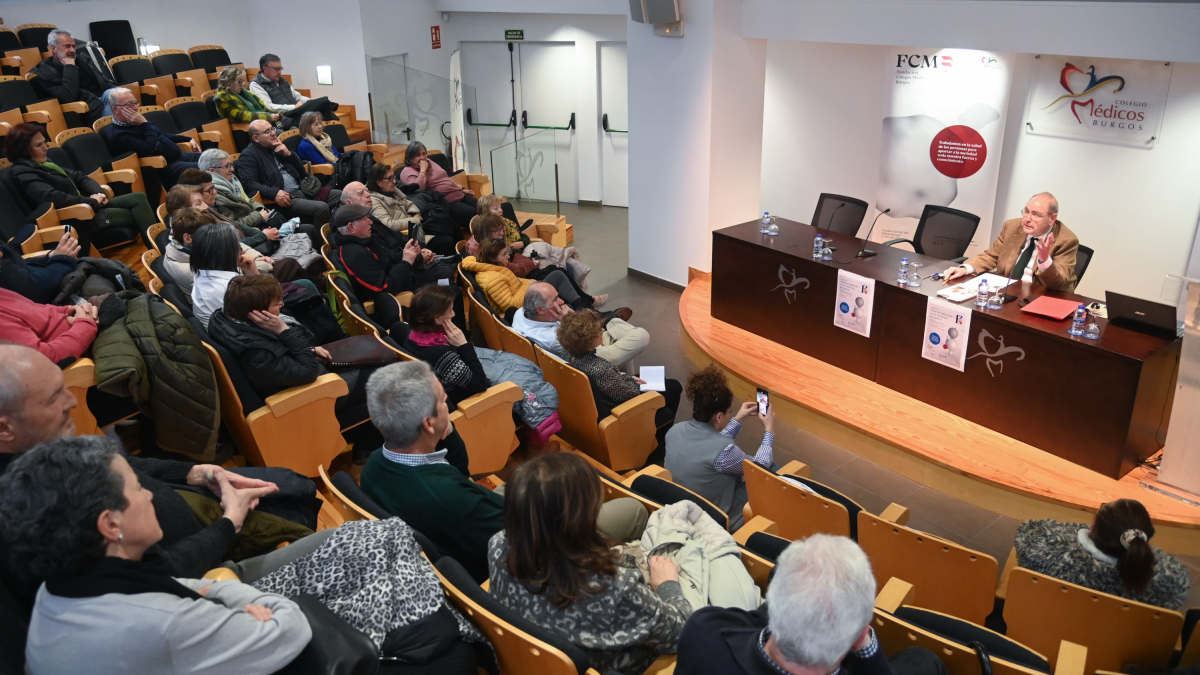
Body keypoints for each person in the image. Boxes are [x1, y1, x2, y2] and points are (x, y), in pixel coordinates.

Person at [0, 437, 312, 675]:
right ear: (110, 525)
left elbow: (180, 585)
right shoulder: (161, 623)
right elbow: (290, 629)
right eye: (137, 488)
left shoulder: (55, 591)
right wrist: (226, 589)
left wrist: (210, 589)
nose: (149, 494)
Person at [360, 360, 646, 582]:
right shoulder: (452, 500)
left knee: (532, 481)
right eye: (444, 402)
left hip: (468, 528)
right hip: (523, 553)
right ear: (428, 424)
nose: (449, 406)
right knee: (633, 510)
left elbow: (458, 474)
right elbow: (527, 541)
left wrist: (445, 430)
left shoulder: (375, 464)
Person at [488, 452, 691, 675]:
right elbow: (681, 633)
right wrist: (667, 583)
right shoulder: (613, 587)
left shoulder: (498, 545)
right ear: (584, 516)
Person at [676, 535, 946, 675]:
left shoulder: (704, 631)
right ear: (857, 637)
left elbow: (755, 619)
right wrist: (862, 641)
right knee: (924, 659)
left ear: (774, 601)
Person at [207, 275, 372, 417]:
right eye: (276, 302)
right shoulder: (256, 351)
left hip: (301, 379)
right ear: (258, 313)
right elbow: (309, 372)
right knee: (380, 372)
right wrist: (284, 331)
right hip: (308, 397)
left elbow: (280, 356)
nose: (282, 304)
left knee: (370, 354)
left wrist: (309, 350)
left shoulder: (230, 322)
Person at [7, 123, 156, 256]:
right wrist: (91, 201)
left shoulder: (44, 162)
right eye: (39, 145)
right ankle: (157, 248)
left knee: (138, 197)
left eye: (44, 142)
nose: (46, 148)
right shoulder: (23, 172)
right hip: (78, 215)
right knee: (138, 215)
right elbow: (53, 197)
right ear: (24, 150)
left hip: (89, 204)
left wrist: (97, 193)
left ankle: (157, 245)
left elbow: (79, 176)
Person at [1014, 499, 1190, 609]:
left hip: (1042, 637)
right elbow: (1175, 580)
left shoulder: (1043, 548)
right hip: (1113, 653)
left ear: (1093, 527)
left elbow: (1030, 531)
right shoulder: (1168, 580)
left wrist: (1080, 533)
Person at [664, 365, 775, 531]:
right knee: (773, 470)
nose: (730, 415)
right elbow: (759, 467)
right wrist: (769, 429)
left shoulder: (674, 431)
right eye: (729, 412)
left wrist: (738, 419)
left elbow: (709, 443)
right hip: (716, 517)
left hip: (686, 506)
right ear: (719, 417)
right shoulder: (724, 453)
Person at [330, 202, 450, 328]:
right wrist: (407, 262)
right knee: (450, 290)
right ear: (351, 227)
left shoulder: (364, 240)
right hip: (401, 298)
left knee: (446, 278)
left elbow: (390, 258)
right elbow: (383, 288)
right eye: (365, 219)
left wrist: (414, 254)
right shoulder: (355, 255)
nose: (371, 222)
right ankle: (450, 336)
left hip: (408, 281)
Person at [558, 309, 681, 427]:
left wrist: (621, 376)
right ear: (588, 341)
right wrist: (629, 378)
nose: (602, 330)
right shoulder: (601, 369)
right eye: (598, 331)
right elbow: (630, 395)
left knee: (663, 381)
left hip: (602, 399)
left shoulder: (566, 355)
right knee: (674, 386)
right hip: (619, 411)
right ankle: (659, 431)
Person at [942, 192, 1080, 292]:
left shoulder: (1067, 240)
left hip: (1040, 297)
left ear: (1052, 218)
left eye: (1036, 214)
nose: (1027, 219)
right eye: (1026, 211)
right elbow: (992, 255)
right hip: (1007, 290)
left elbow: (1058, 284)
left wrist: (1045, 261)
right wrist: (965, 268)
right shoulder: (1012, 227)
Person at [236, 119, 342, 229]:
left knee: (341, 195)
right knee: (321, 208)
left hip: (303, 189)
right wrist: (274, 193)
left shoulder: (277, 146)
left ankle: (340, 230)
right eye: (267, 132)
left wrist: (289, 154)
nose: (273, 133)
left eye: (272, 129)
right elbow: (249, 183)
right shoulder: (248, 156)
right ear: (256, 138)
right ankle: (323, 237)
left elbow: (303, 173)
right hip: (286, 198)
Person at [515, 282, 645, 367]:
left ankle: (610, 322)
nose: (562, 301)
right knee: (641, 336)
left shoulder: (520, 313)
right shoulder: (553, 339)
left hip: (578, 348)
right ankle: (610, 322)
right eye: (555, 299)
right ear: (540, 310)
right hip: (591, 357)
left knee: (621, 337)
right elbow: (588, 344)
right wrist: (570, 320)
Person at [463, 238, 606, 315]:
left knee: (556, 274)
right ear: (492, 258)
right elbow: (511, 305)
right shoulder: (492, 278)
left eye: (507, 252)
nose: (508, 256)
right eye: (504, 254)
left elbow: (517, 281)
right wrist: (531, 287)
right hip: (524, 308)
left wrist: (532, 283)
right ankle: (590, 312)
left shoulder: (495, 268)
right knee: (561, 289)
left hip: (527, 295)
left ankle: (588, 309)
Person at [402, 284, 489, 408]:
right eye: (450, 310)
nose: (453, 314)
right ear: (437, 318)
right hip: (468, 405)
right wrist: (464, 345)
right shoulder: (444, 356)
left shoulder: (411, 336)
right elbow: (481, 384)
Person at [102, 87, 201, 186]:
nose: (135, 108)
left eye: (135, 103)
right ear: (115, 109)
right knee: (208, 168)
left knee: (211, 157)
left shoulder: (136, 122)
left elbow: (160, 135)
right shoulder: (118, 135)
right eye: (129, 104)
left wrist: (188, 139)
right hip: (167, 168)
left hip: (180, 156)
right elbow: (154, 150)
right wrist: (144, 124)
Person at [365, 163, 459, 256]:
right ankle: (452, 260)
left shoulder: (393, 191)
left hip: (414, 228)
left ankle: (461, 255)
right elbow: (389, 224)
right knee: (447, 241)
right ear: (379, 182)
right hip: (405, 238)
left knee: (447, 222)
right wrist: (412, 220)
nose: (394, 181)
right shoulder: (374, 201)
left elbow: (410, 204)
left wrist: (412, 213)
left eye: (394, 177)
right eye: (390, 178)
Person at [30, 29, 118, 124]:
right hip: (87, 111)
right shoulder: (45, 71)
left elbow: (105, 81)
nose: (72, 50)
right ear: (54, 48)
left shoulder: (82, 59)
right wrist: (69, 67)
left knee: (119, 94)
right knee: (116, 100)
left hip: (105, 101)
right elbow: (68, 97)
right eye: (67, 46)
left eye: (73, 46)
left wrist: (121, 93)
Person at [190, 223, 265, 328]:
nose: (242, 251)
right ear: (225, 253)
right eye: (238, 247)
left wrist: (251, 273)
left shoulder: (202, 274)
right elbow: (270, 305)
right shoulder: (229, 288)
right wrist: (255, 274)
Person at [0, 286, 96, 363]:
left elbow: (35, 309)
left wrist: (72, 310)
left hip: (82, 325)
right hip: (84, 347)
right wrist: (85, 325)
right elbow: (42, 360)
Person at [399, 141, 477, 230]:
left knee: (484, 207)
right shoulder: (407, 172)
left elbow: (445, 178)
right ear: (410, 158)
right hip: (446, 203)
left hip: (458, 194)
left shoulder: (429, 162)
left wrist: (461, 188)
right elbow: (418, 190)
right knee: (473, 213)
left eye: (424, 153)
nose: (422, 158)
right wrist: (423, 171)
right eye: (418, 155)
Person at [249, 54, 339, 122]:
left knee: (327, 115)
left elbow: (297, 96)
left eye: (280, 69)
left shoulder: (282, 81)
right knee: (322, 104)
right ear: (265, 68)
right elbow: (268, 106)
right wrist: (293, 107)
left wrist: (309, 101)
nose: (279, 72)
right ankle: (328, 104)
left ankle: (327, 107)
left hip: (297, 110)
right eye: (276, 69)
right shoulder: (256, 84)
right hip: (285, 115)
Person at [0, 231, 80, 304]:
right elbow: (34, 291)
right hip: (51, 303)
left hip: (52, 282)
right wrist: (63, 260)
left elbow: (19, 264)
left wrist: (50, 257)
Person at [213, 65, 282, 126]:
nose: (243, 84)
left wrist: (276, 114)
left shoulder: (247, 93)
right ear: (229, 81)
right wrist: (268, 117)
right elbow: (239, 116)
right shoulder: (222, 97)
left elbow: (264, 108)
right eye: (239, 81)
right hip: (254, 129)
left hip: (265, 123)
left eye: (243, 81)